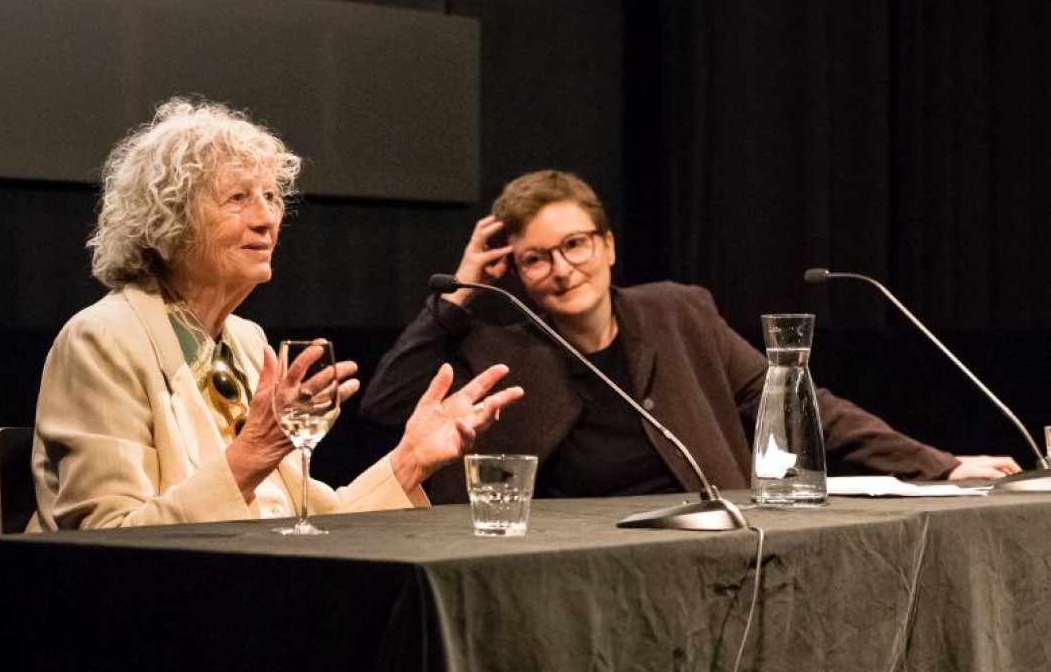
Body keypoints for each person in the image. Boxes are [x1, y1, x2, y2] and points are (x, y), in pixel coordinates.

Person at [360, 169, 1018, 503]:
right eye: (538, 258)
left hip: (713, 547)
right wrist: (457, 296)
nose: (563, 269)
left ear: (609, 245)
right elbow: (388, 403)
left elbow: (799, 404)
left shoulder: (677, 314)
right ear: (518, 271)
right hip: (574, 573)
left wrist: (943, 465)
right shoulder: (499, 346)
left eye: (576, 245)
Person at [30, 98, 521, 530]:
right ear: (169, 218)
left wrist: (410, 461)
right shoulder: (102, 338)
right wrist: (252, 454)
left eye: (270, 197)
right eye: (238, 198)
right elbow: (104, 539)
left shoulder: (243, 340)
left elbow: (308, 519)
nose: (267, 218)